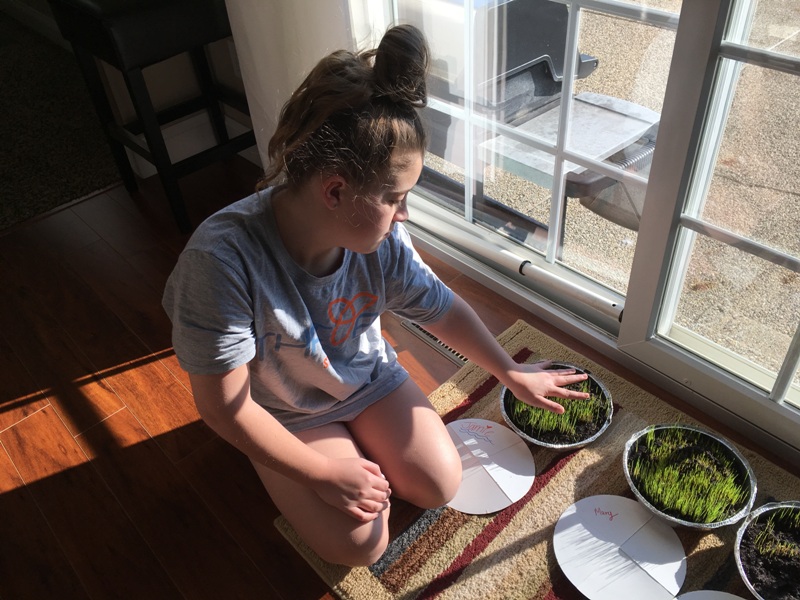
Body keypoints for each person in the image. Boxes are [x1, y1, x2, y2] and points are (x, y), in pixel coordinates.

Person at [162, 24, 589, 567]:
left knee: (439, 484)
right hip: (284, 409)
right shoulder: (220, 262)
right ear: (336, 190)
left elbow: (441, 307)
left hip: (365, 378)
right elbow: (224, 409)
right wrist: (319, 470)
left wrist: (509, 371)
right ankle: (272, 457)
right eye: (396, 197)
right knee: (361, 544)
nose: (404, 213)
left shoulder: (381, 241)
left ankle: (343, 440)